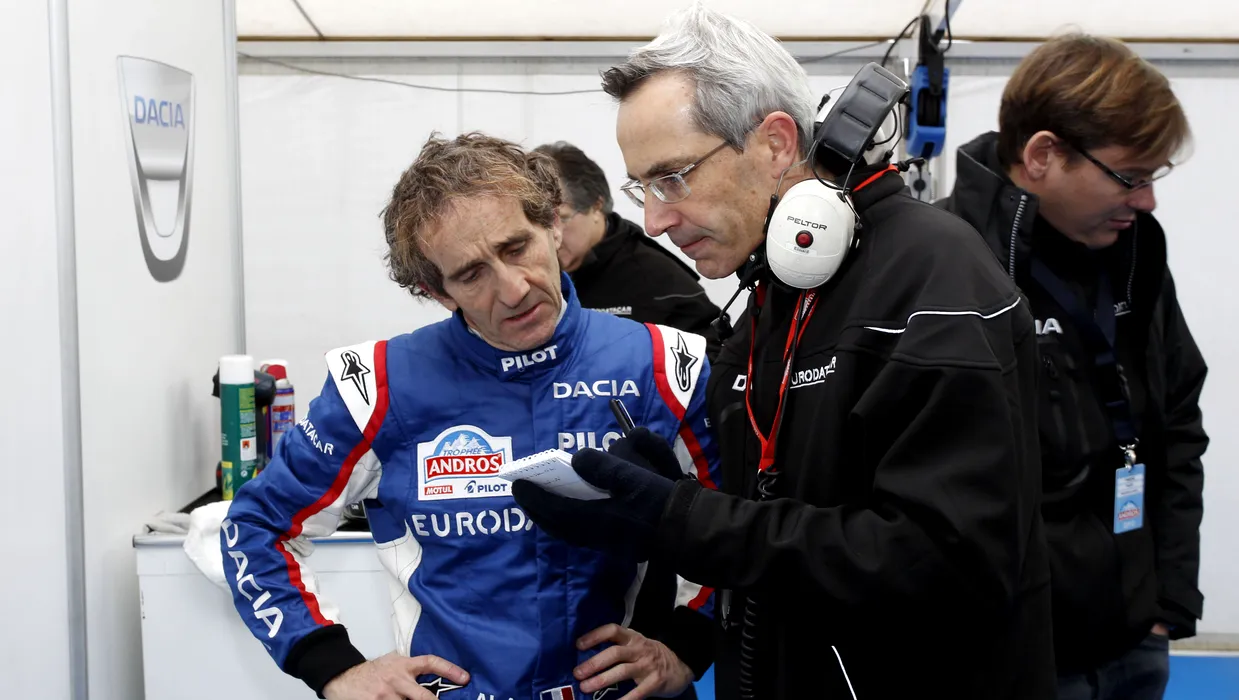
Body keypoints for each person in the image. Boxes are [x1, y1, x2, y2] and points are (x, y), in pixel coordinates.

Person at [512, 5, 1054, 699]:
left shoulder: (933, 282)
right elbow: (789, 509)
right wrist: (678, 498)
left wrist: (682, 519)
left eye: (672, 177)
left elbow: (944, 561)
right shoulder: (779, 290)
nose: (654, 220)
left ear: (774, 143)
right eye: (641, 188)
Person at [220, 132, 720, 700]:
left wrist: (685, 646)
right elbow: (255, 528)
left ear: (553, 226)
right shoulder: (378, 385)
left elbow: (740, 525)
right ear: (437, 291)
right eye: (471, 273)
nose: (513, 289)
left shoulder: (664, 363)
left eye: (516, 247)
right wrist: (333, 667)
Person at [939, 34, 1207, 700]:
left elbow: (1176, 423)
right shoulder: (940, 265)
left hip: (1132, 642)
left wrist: (1168, 598)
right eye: (1130, 176)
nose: (1146, 202)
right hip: (1002, 661)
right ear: (1042, 156)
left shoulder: (1136, 255)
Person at [531, 141, 725, 360]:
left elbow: (712, 359)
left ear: (596, 206)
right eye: (538, 224)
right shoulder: (525, 274)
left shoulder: (658, 280)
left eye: (562, 219)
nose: (551, 237)